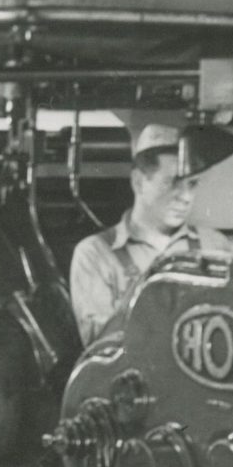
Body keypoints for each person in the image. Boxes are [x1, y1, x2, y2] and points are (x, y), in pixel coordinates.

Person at [70, 126, 196, 343]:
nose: (186, 196)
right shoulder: (94, 255)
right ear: (138, 182)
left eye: (192, 184)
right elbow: (100, 347)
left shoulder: (215, 246)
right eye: (172, 182)